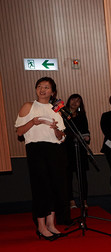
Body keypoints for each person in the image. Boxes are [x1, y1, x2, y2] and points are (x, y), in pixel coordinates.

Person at [15, 77, 66, 240]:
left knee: (53, 187)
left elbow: (61, 137)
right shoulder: (28, 106)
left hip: (54, 149)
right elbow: (19, 132)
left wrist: (56, 129)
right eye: (39, 86)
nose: (42, 90)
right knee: (40, 188)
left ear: (53, 92)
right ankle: (41, 226)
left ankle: (51, 224)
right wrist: (33, 122)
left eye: (46, 87)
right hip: (36, 149)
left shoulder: (56, 110)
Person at [63, 93, 90, 210]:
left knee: (82, 177)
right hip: (66, 149)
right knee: (67, 177)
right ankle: (71, 201)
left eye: (78, 101)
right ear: (69, 100)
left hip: (80, 149)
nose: (75, 102)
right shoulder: (62, 114)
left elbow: (86, 130)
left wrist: (86, 137)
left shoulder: (81, 115)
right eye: (73, 99)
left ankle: (83, 200)